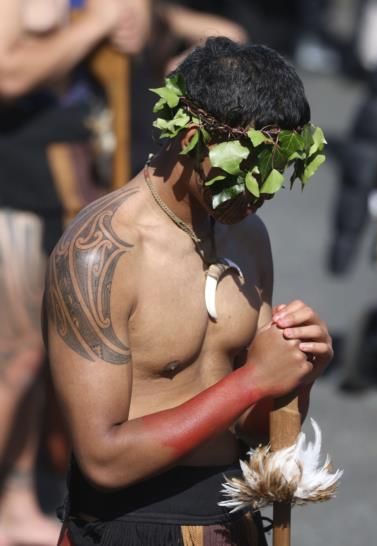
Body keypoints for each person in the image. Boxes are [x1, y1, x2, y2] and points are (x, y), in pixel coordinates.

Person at [45, 37, 333, 546]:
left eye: (275, 173)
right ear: (194, 136)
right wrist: (250, 382)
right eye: (249, 168)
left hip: (232, 517)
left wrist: (297, 373)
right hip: (128, 525)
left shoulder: (248, 235)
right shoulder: (100, 253)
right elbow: (103, 460)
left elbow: (252, 428)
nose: (259, 193)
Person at [0, 1, 151, 545]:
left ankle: (13, 508)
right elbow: (6, 71)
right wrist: (99, 20)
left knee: (36, 362)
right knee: (10, 367)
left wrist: (145, 23)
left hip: (62, 184)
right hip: (11, 189)